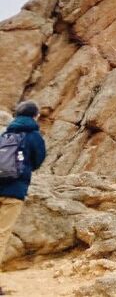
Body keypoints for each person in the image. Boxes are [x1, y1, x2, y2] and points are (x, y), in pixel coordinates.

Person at [0, 101, 46, 292]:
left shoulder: (5, 134)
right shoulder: (34, 136)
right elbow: (38, 160)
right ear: (35, 116)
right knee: (2, 234)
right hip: (13, 193)